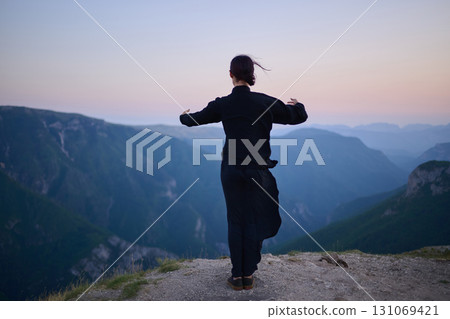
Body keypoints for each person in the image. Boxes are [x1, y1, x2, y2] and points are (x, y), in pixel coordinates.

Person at [179, 55, 308, 291]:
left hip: (230, 169)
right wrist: (297, 105)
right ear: (252, 75)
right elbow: (297, 117)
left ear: (231, 75)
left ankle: (236, 276)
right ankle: (248, 274)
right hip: (256, 168)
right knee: (254, 218)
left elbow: (193, 120)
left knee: (235, 219)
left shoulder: (222, 104)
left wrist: (184, 115)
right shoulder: (265, 103)